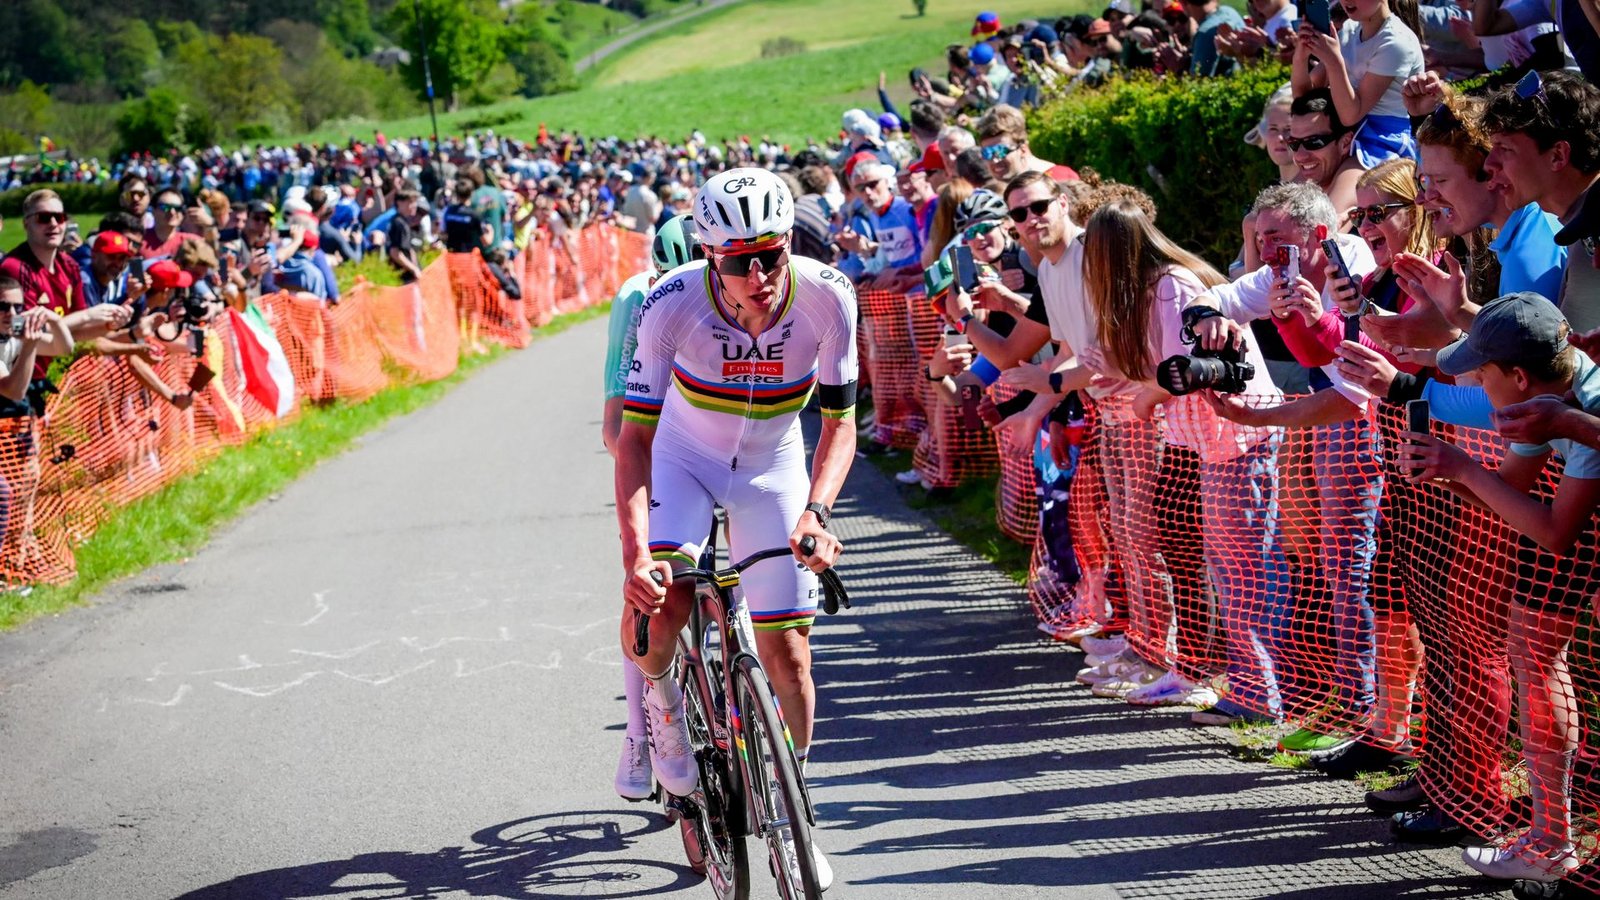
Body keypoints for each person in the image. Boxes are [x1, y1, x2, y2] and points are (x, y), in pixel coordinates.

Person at [616, 168, 856, 889]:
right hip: (683, 461)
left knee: (791, 658)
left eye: (771, 256)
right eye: (738, 261)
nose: (758, 276)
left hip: (770, 467)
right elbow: (633, 439)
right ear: (708, 255)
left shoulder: (828, 297)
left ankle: (791, 810)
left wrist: (818, 511)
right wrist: (636, 554)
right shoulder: (670, 303)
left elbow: (840, 424)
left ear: (789, 244)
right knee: (663, 605)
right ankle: (663, 708)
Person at [1400, 292, 1600, 883]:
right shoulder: (1546, 397)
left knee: (1540, 654)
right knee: (1532, 651)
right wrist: (1443, 472)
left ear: (1517, 376)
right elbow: (1510, 490)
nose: (1478, 388)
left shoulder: (1586, 404)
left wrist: (1461, 468)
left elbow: (1555, 532)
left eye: (1482, 374)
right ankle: (1551, 837)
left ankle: (1555, 843)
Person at [1185, 181, 1382, 725]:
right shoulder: (1279, 274)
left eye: (1275, 236)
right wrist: (1208, 319)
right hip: (1328, 420)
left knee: (1352, 564)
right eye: (1258, 237)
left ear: (1316, 233)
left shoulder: (1352, 264)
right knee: (1319, 557)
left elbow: (1354, 386)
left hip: (1367, 422)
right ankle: (1328, 692)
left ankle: (1362, 706)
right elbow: (1212, 296)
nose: (1264, 249)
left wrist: (1256, 416)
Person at [1085, 199, 1286, 709]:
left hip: (1232, 435)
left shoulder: (1171, 285)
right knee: (1188, 548)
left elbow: (1184, 369)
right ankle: (1199, 669)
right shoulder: (1147, 292)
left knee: (1236, 564)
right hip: (1197, 438)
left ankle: (1249, 686)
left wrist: (1145, 395)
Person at [602, 212, 700, 804]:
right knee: (649, 589)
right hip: (656, 448)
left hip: (722, 454)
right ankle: (640, 732)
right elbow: (616, 425)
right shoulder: (637, 299)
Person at [1479, 70, 1600, 332]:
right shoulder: (1583, 229)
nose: (1489, 163)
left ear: (1558, 155)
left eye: (1505, 148)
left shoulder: (1593, 236)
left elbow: (1562, 354)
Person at [1291, 0, 1424, 167]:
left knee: (1341, 185)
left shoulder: (1396, 42)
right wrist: (1300, 56)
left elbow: (1351, 115)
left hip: (1383, 142)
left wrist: (1334, 62)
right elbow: (1303, 98)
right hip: (1346, 136)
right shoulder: (1349, 29)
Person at [1289, 89, 1366, 227]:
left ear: (1345, 143)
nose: (1300, 156)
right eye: (1293, 143)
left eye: (1314, 142)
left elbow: (1322, 237)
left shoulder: (1357, 177)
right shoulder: (1309, 179)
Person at [975, 105, 1079, 187]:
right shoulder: (993, 194)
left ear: (1023, 149)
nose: (994, 160)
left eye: (1000, 151)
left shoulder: (1060, 178)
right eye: (987, 153)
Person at [142, 188, 203, 261]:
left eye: (177, 208)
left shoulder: (192, 242)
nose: (172, 212)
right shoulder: (139, 239)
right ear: (153, 210)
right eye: (165, 207)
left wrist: (210, 225)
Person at [387, 189, 425, 285]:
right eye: (411, 202)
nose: (414, 205)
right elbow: (395, 252)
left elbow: (409, 249)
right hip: (401, 276)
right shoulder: (398, 223)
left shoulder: (405, 222)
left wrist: (416, 267)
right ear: (399, 203)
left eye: (415, 202)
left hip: (410, 275)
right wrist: (413, 269)